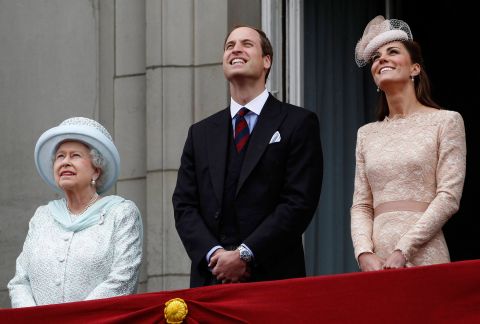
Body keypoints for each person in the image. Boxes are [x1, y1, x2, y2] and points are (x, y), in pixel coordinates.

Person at [172, 25, 323, 287]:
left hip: (274, 278)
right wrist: (215, 255)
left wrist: (245, 254)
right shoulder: (200, 133)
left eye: (246, 44)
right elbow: (185, 206)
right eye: (230, 46)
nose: (236, 49)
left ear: (267, 61)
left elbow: (298, 202)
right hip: (211, 279)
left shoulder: (298, 123)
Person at [351, 16, 466, 271]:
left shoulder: (446, 121)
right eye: (376, 57)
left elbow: (448, 196)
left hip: (425, 252)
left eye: (393, 51)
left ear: (415, 68)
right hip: (377, 262)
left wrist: (404, 249)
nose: (382, 59)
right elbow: (361, 204)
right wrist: (364, 253)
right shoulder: (366, 134)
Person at [8, 117, 143, 307]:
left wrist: (76, 318)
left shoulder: (121, 213)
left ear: (96, 170)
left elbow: (122, 280)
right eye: (60, 157)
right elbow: (20, 282)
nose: (65, 162)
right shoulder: (42, 216)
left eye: (75, 156)